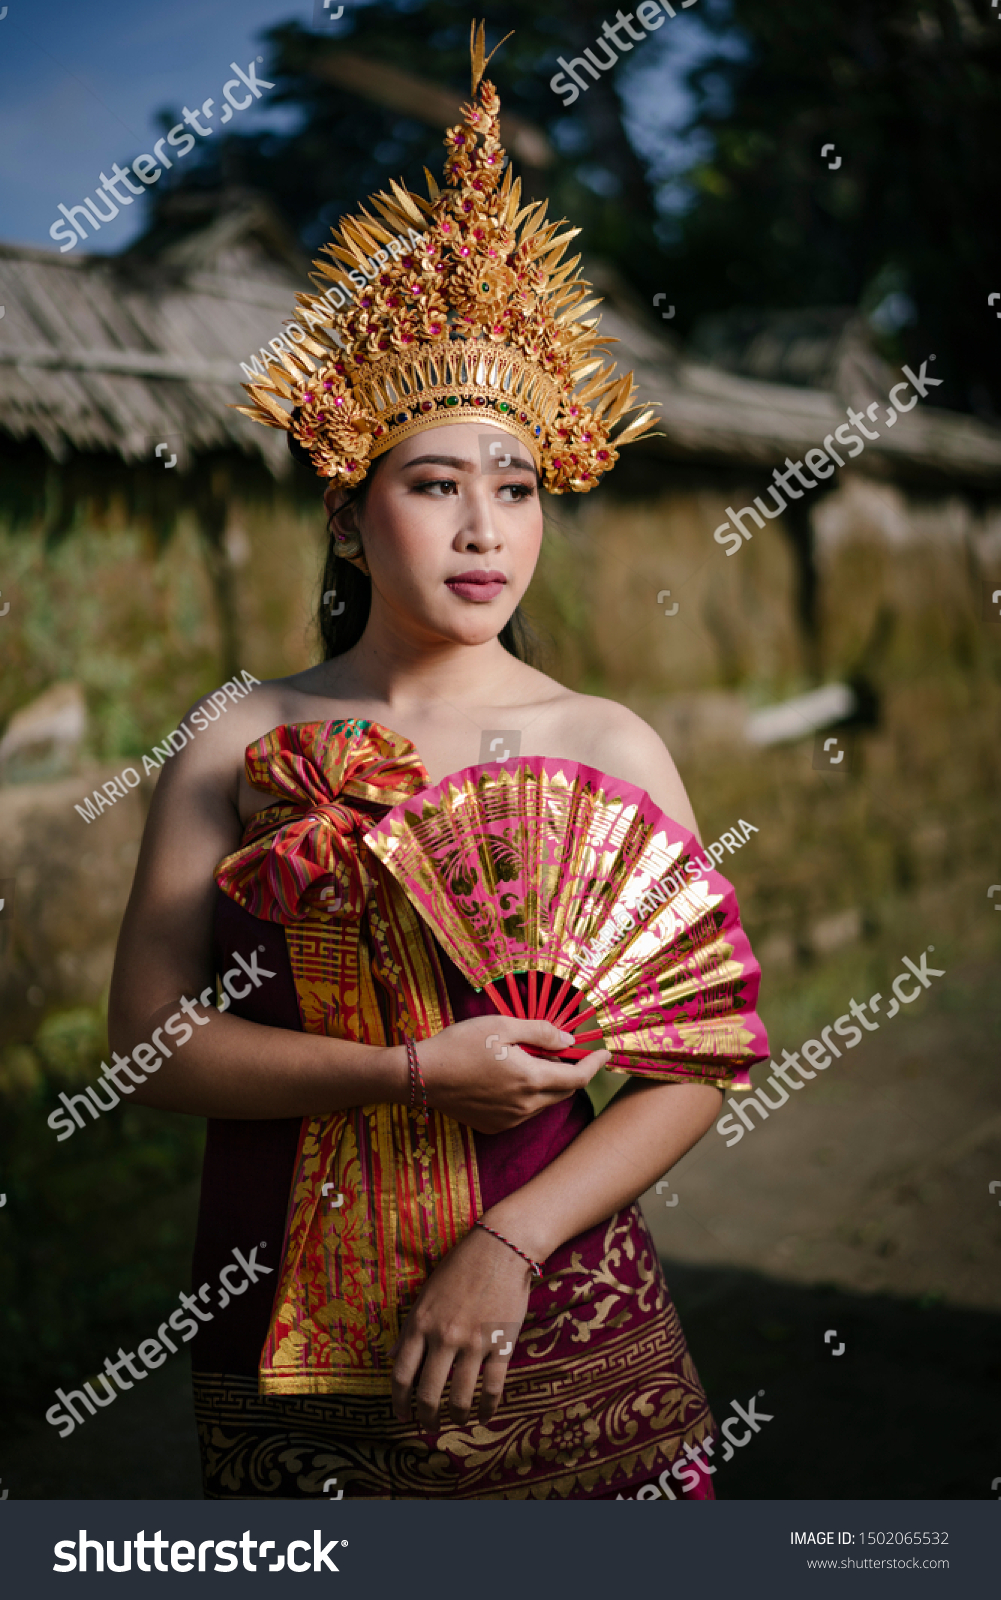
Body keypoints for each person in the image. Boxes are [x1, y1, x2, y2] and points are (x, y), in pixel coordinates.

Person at [108, 24, 759, 1500]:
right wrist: (411, 1068)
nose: (484, 529)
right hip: (274, 1299)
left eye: (516, 488)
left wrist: (504, 1242)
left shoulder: (604, 742)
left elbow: (693, 1059)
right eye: (433, 484)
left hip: (552, 1295)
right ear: (347, 516)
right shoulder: (236, 735)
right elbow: (147, 1048)